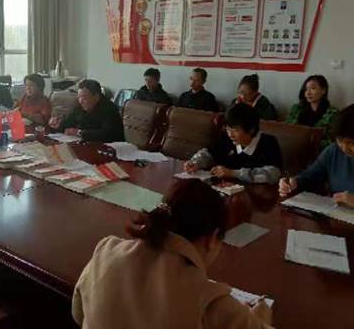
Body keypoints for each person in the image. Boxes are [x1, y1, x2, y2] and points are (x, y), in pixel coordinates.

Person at [72, 179, 273, 329]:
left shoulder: (106, 251)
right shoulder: (211, 301)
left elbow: (78, 314)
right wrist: (261, 314)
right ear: (212, 238)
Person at [185, 103, 282, 184]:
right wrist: (195, 162)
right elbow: (209, 153)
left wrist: (234, 173)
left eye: (235, 130)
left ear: (251, 129)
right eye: (228, 129)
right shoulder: (227, 138)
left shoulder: (268, 142)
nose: (230, 134)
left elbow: (273, 174)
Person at [279, 104, 354, 208]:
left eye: (351, 143)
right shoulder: (334, 151)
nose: (344, 148)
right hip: (337, 213)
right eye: (340, 140)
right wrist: (293, 183)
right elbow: (310, 177)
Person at [49, 79, 124, 142]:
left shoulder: (109, 109)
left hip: (110, 147)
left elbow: (107, 134)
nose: (80, 101)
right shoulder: (81, 107)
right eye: (79, 97)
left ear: (96, 97)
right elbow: (69, 121)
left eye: (84, 98)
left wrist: (79, 132)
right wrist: (57, 125)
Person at [286, 75, 338, 149]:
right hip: (294, 148)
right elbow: (287, 129)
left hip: (319, 152)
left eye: (312, 88)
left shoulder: (333, 113)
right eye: (306, 89)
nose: (308, 93)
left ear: (323, 90)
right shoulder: (297, 108)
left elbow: (333, 141)